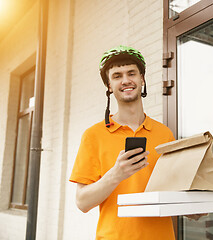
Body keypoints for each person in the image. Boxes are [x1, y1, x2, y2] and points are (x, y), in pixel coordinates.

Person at [69, 45, 178, 239]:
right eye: (117, 76)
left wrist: (193, 206)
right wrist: (116, 175)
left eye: (131, 73)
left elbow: (174, 191)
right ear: (109, 86)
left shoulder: (165, 134)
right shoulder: (93, 135)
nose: (126, 80)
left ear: (142, 79)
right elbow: (82, 202)